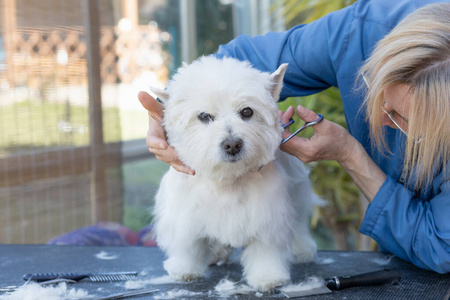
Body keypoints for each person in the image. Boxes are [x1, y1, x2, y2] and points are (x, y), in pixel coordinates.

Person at [138, 0, 450, 274]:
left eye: (402, 117)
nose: (375, 119)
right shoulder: (360, 30)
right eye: (374, 92)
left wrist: (351, 155)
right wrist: (170, 111)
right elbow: (237, 61)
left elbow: (441, 246)